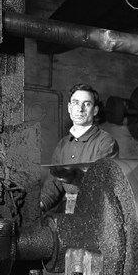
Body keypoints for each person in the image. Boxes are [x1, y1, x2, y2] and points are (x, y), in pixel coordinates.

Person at [41, 83, 119, 213]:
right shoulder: (63, 144)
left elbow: (100, 184)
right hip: (69, 209)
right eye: (76, 103)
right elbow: (54, 183)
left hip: (95, 211)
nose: (80, 109)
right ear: (69, 108)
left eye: (87, 104)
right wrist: (40, 204)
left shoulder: (106, 142)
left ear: (95, 110)